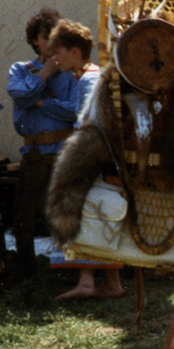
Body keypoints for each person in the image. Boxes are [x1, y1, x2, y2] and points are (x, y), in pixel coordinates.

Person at [44, 19, 126, 301]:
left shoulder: (87, 81)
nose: (55, 59)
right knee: (102, 216)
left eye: (59, 53)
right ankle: (110, 282)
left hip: (95, 160)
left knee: (88, 214)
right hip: (104, 161)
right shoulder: (89, 76)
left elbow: (89, 126)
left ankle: (87, 281)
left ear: (75, 53)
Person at [7, 7, 79, 279]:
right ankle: (27, 273)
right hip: (35, 154)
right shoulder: (21, 70)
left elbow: (73, 111)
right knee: (24, 214)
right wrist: (44, 75)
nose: (51, 43)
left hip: (62, 153)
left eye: (55, 37)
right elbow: (19, 95)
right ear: (35, 40)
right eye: (45, 37)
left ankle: (68, 270)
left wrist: (41, 102)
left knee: (63, 214)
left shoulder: (71, 75)